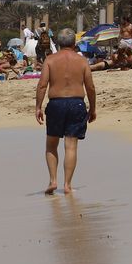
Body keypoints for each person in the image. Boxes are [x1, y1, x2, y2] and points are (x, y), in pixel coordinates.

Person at [36, 29, 97, 195]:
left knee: (51, 144)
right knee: (71, 146)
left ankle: (53, 180)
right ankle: (68, 185)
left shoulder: (50, 60)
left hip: (56, 104)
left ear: (59, 43)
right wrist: (92, 108)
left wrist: (38, 107)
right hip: (76, 103)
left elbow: (42, 85)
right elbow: (90, 87)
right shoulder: (82, 61)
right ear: (74, 43)